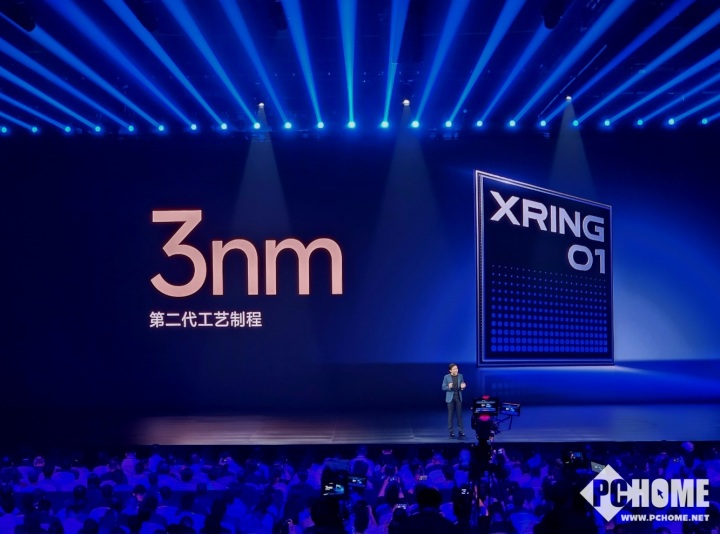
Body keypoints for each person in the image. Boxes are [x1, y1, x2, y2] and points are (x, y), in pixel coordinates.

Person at [442, 363, 466, 438]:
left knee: (459, 415)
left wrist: (463, 387)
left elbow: (462, 386)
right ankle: (451, 431)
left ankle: (461, 431)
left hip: (458, 397)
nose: (456, 370)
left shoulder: (460, 376)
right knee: (450, 415)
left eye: (457, 368)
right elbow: (443, 387)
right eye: (454, 369)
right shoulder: (446, 377)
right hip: (450, 398)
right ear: (450, 370)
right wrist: (448, 387)